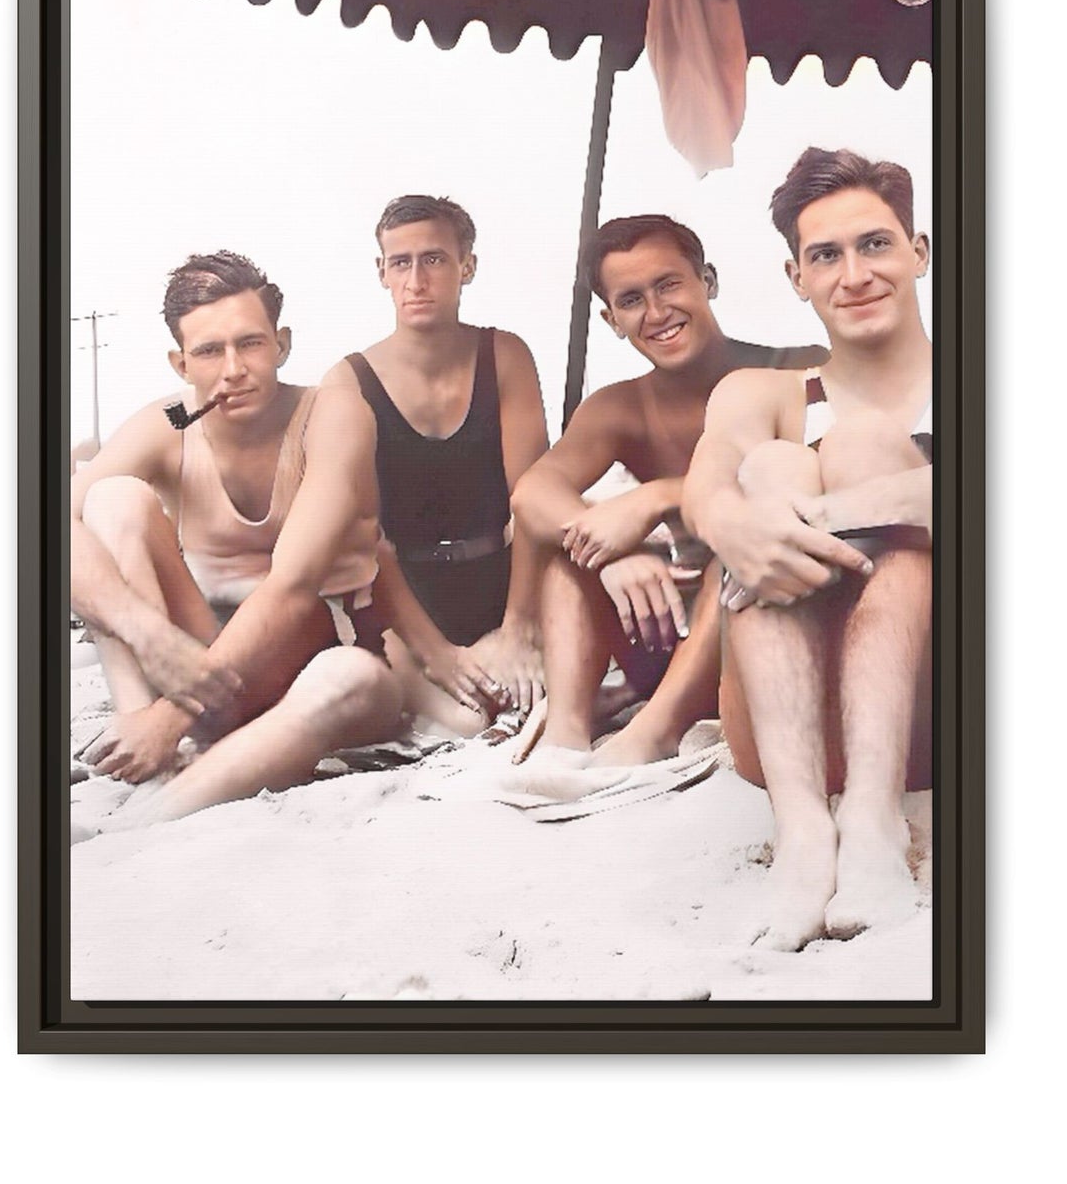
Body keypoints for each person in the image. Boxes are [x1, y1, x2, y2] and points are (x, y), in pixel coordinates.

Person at [682, 147, 933, 951]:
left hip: (933, 712)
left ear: (918, 252)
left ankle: (870, 818)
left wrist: (825, 514)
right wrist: (742, 521)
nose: (852, 273)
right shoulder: (760, 392)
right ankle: (803, 832)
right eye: (824, 254)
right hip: (781, 722)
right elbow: (705, 492)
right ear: (796, 276)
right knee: (771, 464)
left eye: (874, 244)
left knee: (858, 448)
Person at [70, 250, 412, 825]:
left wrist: (173, 714)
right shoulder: (173, 422)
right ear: (181, 362)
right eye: (209, 350)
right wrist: (146, 633)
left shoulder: (330, 412)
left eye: (250, 343)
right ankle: (139, 745)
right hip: (195, 666)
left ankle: (136, 820)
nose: (233, 369)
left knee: (348, 676)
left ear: (281, 344)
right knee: (110, 498)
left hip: (313, 672)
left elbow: (294, 584)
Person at [510, 214, 825, 768]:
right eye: (631, 300)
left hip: (762, 622)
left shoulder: (796, 368)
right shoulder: (621, 406)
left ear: (708, 280)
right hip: (660, 629)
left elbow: (825, 479)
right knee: (574, 558)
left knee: (726, 550)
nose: (656, 313)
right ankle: (566, 734)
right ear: (610, 319)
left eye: (669, 284)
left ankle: (654, 733)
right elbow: (533, 492)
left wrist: (658, 495)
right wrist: (616, 558)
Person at [323, 194, 550, 737]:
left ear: (466, 266)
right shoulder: (347, 381)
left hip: (502, 581)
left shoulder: (505, 355)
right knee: (466, 722)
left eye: (434, 260)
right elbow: (362, 537)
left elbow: (533, 500)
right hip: (403, 600)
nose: (416, 280)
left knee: (534, 697)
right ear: (381, 272)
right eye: (400, 263)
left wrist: (518, 627)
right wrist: (438, 653)